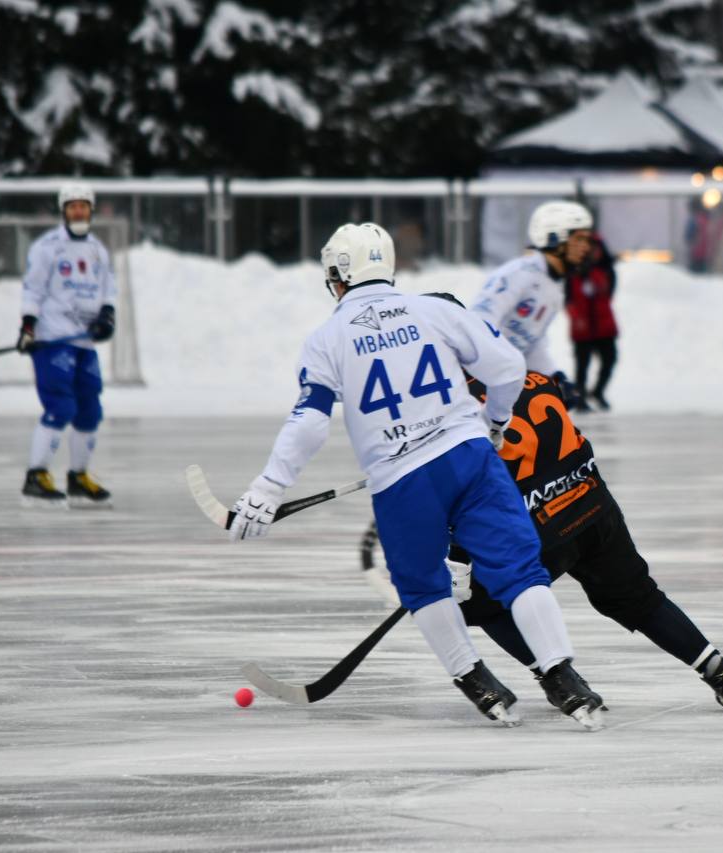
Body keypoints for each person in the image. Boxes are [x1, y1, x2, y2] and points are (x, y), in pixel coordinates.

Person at [228, 222, 606, 730]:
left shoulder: (326, 339)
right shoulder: (434, 309)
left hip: (401, 480)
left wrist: (269, 487)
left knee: (422, 584)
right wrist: (495, 421)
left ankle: (477, 682)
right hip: (468, 457)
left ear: (339, 275)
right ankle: (564, 679)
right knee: (519, 568)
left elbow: (311, 422)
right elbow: (508, 367)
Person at [362, 306, 723, 712]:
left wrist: (456, 556)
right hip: (594, 508)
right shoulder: (529, 376)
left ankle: (561, 678)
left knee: (477, 604)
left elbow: (468, 491)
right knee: (641, 599)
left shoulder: (454, 409)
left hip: (540, 527)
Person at [18, 181, 117, 507]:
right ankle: (36, 474)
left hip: (83, 342)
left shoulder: (98, 250)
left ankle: (78, 476)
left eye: (83, 206)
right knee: (61, 406)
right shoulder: (47, 247)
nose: (78, 211)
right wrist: (29, 326)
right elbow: (32, 290)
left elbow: (108, 289)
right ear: (64, 210)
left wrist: (107, 316)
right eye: (72, 206)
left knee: (90, 409)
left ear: (90, 210)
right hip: (53, 339)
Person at [469, 199, 591, 409]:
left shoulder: (553, 285)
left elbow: (530, 341)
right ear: (554, 237)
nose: (586, 247)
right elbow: (479, 324)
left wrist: (554, 377)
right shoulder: (519, 274)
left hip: (503, 380)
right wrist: (501, 371)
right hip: (480, 381)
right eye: (579, 238)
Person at [564, 232, 618, 411]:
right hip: (583, 326)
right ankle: (580, 398)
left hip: (603, 325)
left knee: (610, 359)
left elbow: (608, 295)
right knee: (582, 365)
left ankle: (598, 391)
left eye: (597, 248)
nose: (594, 252)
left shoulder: (606, 271)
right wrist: (576, 317)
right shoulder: (574, 272)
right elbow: (568, 299)